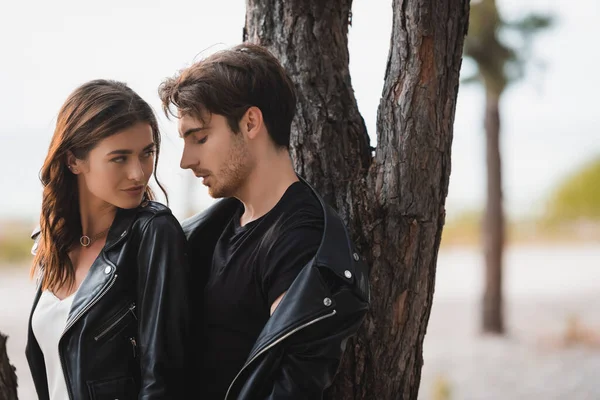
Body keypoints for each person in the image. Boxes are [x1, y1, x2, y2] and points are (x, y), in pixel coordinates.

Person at [159, 43, 370, 400]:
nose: (186, 160)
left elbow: (291, 386)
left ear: (251, 123)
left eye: (200, 138)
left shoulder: (299, 238)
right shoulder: (216, 228)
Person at [26, 79, 190, 400]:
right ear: (74, 160)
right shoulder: (52, 242)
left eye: (147, 153)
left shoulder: (154, 233)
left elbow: (163, 378)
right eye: (120, 158)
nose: (138, 173)